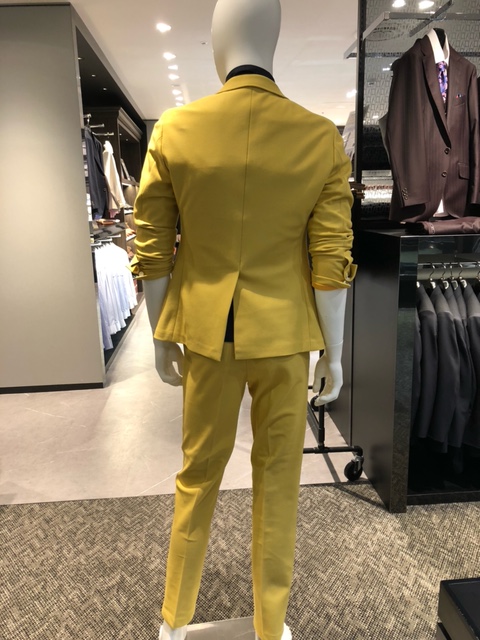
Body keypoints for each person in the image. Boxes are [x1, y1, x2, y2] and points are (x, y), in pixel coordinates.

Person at [131, 1, 356, 638]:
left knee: (197, 475)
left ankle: (174, 622)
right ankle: (269, 628)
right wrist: (334, 352)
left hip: (207, 336)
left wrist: (160, 336)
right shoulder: (319, 137)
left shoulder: (175, 130)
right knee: (279, 481)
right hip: (285, 337)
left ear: (217, 42)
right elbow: (330, 258)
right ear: (273, 40)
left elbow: (153, 245)